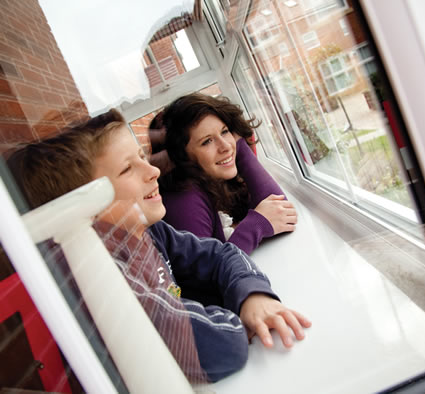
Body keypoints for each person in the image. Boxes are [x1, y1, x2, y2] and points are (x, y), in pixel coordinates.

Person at [14, 109, 311, 384]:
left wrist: (252, 296)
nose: (153, 171)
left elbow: (221, 254)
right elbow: (221, 348)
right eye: (128, 169)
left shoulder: (149, 230)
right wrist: (235, 319)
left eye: (143, 156)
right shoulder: (97, 271)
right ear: (83, 207)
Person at [155, 93, 298, 255]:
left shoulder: (211, 179)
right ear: (182, 156)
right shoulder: (184, 199)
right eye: (206, 141)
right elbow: (207, 276)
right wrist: (254, 226)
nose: (225, 146)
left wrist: (238, 144)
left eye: (224, 131)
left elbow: (281, 212)